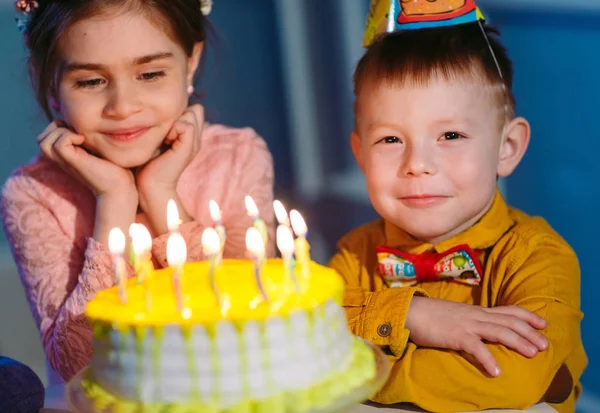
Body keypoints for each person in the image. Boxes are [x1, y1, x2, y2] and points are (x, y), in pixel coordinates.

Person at [328, 2, 586, 412]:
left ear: (507, 148)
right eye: (390, 140)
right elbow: (299, 332)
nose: (417, 165)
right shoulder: (353, 255)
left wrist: (355, 374)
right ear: (361, 154)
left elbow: (512, 379)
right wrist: (413, 314)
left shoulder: (538, 258)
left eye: (450, 135)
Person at [1, 0, 275, 382]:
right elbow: (80, 365)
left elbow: (250, 327)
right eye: (91, 81)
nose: (123, 107)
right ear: (49, 80)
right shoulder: (32, 194)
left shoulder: (239, 156)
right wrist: (114, 199)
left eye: (149, 74)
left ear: (190, 62)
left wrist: (160, 192)